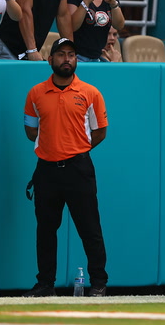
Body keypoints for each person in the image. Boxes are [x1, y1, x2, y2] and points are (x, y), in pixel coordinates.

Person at [23, 37, 109, 298]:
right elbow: (30, 130)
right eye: (61, 54)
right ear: (51, 60)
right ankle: (45, 284)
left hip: (78, 169)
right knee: (46, 231)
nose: (67, 59)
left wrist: (75, 150)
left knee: (90, 229)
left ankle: (98, 283)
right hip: (47, 170)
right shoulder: (36, 93)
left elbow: (100, 131)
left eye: (71, 54)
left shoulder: (91, 93)